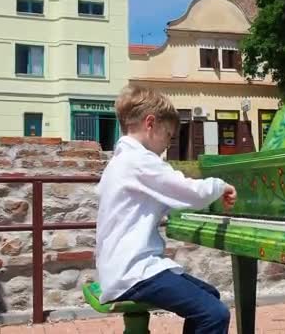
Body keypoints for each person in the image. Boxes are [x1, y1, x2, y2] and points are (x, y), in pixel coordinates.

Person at [95, 84, 237, 333]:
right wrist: (220, 185)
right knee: (215, 315)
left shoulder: (121, 160)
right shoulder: (139, 161)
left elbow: (166, 198)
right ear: (151, 124)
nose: (168, 144)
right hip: (133, 272)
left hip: (121, 267)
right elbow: (188, 191)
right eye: (169, 135)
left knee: (210, 296)